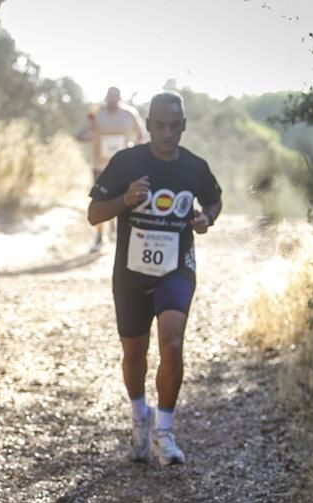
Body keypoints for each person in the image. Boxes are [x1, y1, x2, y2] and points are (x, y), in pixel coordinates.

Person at [86, 91, 221, 465]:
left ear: (183, 126)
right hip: (131, 273)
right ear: (147, 126)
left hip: (176, 268)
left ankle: (164, 431)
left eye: (173, 126)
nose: (166, 133)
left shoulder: (195, 167)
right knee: (134, 352)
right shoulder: (126, 162)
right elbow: (94, 214)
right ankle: (138, 417)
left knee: (172, 343)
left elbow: (213, 200)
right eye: (159, 125)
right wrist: (125, 200)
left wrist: (207, 218)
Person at [77, 87, 146, 253]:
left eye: (116, 96)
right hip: (100, 165)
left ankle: (120, 233)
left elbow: (142, 135)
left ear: (120, 98)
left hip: (124, 167)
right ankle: (100, 236)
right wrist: (93, 138)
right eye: (110, 96)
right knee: (99, 201)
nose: (113, 99)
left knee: (124, 198)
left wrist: (133, 148)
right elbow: (80, 134)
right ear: (106, 97)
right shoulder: (95, 113)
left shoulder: (130, 114)